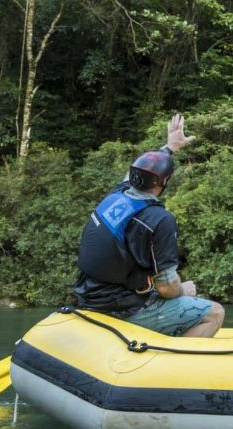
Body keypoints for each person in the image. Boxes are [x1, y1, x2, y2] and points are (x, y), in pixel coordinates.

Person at [73, 115, 224, 337]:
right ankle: (170, 362)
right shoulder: (160, 219)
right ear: (165, 182)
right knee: (215, 313)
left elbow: (138, 173)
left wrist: (170, 146)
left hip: (89, 294)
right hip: (120, 307)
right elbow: (167, 288)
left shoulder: (117, 194)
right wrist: (184, 291)